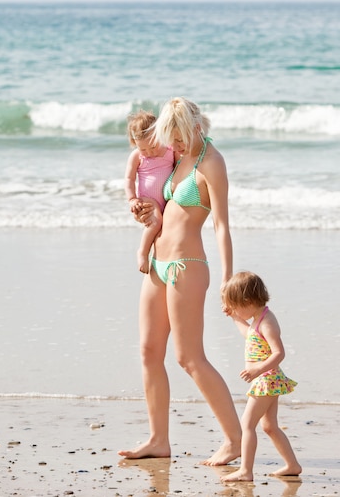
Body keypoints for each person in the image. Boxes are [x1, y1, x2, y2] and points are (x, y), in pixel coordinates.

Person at [119, 97, 242, 465]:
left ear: (196, 126)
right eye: (170, 139)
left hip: (187, 266)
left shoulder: (212, 162)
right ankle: (158, 439)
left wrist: (227, 278)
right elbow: (164, 203)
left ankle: (235, 440)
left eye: (179, 137)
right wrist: (145, 210)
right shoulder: (178, 157)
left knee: (189, 357)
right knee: (148, 351)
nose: (173, 145)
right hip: (158, 261)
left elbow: (221, 225)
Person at [221, 271, 302, 481]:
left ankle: (245, 470)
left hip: (266, 379)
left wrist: (258, 370)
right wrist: (234, 317)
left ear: (248, 301)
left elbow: (279, 353)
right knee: (269, 426)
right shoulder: (258, 317)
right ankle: (292, 464)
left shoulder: (267, 322)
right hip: (267, 379)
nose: (235, 309)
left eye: (236, 306)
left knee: (247, 424)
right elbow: (248, 334)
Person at [125, 110, 175, 273]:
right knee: (154, 223)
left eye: (153, 146)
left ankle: (161, 258)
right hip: (148, 200)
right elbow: (129, 179)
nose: (150, 152)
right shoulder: (137, 156)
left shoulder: (170, 151)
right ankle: (143, 252)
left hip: (167, 200)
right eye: (143, 149)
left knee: (165, 229)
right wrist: (132, 199)